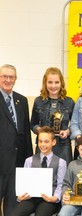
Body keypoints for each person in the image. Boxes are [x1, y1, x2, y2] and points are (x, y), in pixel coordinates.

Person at [11, 126, 67, 216]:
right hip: (31, 198)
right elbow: (24, 182)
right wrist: (20, 196)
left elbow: (61, 185)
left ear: (53, 142)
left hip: (49, 200)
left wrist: (55, 198)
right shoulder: (29, 160)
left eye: (46, 141)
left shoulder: (61, 163)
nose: (42, 145)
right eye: (40, 141)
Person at [0, 64, 33, 216]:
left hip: (17, 163)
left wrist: (29, 160)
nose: (8, 80)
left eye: (11, 77)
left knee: (13, 207)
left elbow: (26, 132)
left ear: (15, 79)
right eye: (4, 76)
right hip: (1, 161)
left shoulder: (22, 100)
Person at [30, 67, 75, 165]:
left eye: (56, 82)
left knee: (63, 177)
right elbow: (33, 123)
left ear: (61, 83)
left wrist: (67, 131)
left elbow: (75, 125)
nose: (53, 86)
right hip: (43, 145)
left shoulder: (69, 102)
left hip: (63, 145)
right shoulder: (38, 101)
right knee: (42, 175)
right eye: (50, 82)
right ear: (45, 83)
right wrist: (40, 131)